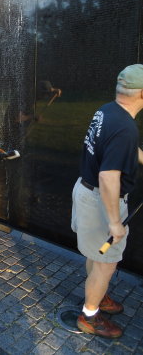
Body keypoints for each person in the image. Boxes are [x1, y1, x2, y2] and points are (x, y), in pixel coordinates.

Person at [71, 64, 143, 338]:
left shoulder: (107, 111)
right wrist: (115, 223)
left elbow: (116, 147)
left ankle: (98, 298)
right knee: (106, 263)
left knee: (97, 255)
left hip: (86, 192)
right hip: (101, 201)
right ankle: (90, 316)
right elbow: (109, 177)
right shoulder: (125, 127)